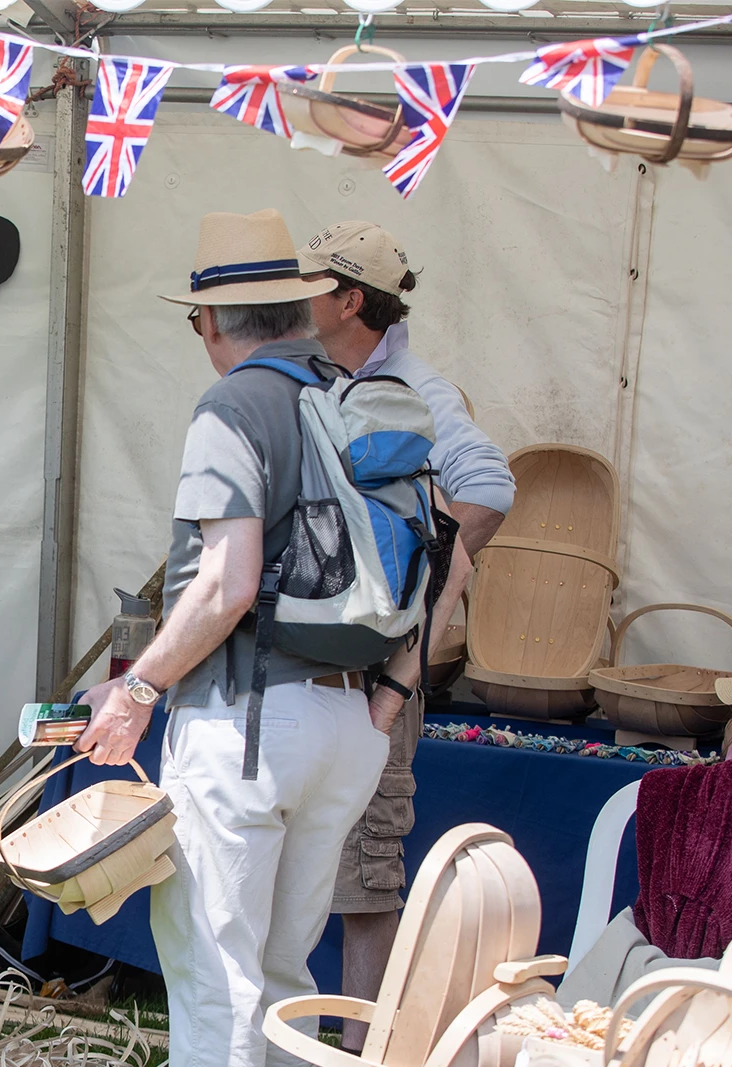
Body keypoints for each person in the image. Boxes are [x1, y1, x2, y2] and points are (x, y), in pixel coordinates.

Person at [73, 209, 467, 1067]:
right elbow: (452, 558)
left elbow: (227, 580)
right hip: (349, 724)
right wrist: (391, 696)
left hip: (248, 721)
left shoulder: (233, 404)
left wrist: (137, 689)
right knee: (286, 979)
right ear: (295, 306)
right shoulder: (362, 391)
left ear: (212, 321)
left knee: (217, 981)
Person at [299, 220, 514, 1053]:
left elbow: (490, 487)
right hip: (306, 669)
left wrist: (413, 595)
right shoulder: (311, 377)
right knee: (299, 868)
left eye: (314, 283)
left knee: (365, 875)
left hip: (373, 680)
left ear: (350, 299)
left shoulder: (421, 388)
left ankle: (360, 1050)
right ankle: (298, 1042)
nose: (299, 297)